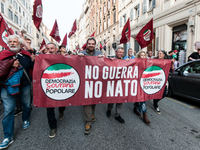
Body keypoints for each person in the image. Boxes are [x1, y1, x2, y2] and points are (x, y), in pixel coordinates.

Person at [0, 35, 34, 149]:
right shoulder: (3, 55)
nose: (12, 43)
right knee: (9, 110)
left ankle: (25, 119)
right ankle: (8, 136)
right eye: (10, 42)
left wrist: (34, 60)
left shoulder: (26, 55)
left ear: (20, 43)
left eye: (15, 41)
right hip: (7, 87)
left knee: (27, 104)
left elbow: (33, 68)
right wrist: (10, 63)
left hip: (24, 85)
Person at [78, 37, 103, 135]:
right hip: (85, 82)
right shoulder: (82, 53)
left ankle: (92, 114)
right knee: (86, 101)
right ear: (87, 44)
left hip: (96, 81)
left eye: (93, 43)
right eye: (89, 43)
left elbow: (105, 65)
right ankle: (88, 122)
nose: (91, 45)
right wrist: (78, 58)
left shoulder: (98, 53)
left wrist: (106, 59)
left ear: (95, 45)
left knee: (94, 100)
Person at [44, 43, 66, 139]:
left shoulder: (62, 57)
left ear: (56, 49)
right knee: (49, 107)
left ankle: (61, 111)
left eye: (52, 48)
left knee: (62, 103)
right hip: (49, 86)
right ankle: (53, 127)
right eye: (48, 48)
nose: (50, 50)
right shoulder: (42, 58)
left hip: (60, 85)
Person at [106, 47, 125, 124]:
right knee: (112, 99)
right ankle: (109, 109)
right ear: (116, 52)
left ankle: (117, 115)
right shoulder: (111, 60)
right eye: (119, 52)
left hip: (121, 83)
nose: (121, 54)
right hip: (113, 83)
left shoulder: (125, 62)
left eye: (122, 52)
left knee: (120, 100)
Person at [153, 50, 174, 114]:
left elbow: (172, 71)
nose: (159, 54)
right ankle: (156, 105)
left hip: (163, 80)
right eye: (158, 53)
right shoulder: (154, 60)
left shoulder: (167, 62)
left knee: (164, 94)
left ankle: (155, 101)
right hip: (155, 80)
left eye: (160, 53)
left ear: (164, 55)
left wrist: (172, 64)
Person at [133, 51, 150, 123]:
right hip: (137, 82)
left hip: (144, 83)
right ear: (139, 56)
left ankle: (135, 107)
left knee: (142, 97)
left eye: (144, 55)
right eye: (141, 55)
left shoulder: (147, 63)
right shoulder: (136, 63)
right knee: (141, 98)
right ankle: (144, 115)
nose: (142, 57)